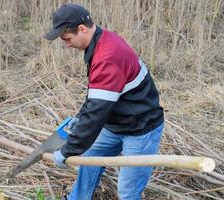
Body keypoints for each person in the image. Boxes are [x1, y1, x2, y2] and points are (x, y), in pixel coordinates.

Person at [44, 3, 164, 200]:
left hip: (141, 128)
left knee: (127, 191)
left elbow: (97, 112)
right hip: (116, 121)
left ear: (81, 30)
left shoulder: (107, 55)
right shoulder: (100, 41)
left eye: (67, 38)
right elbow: (97, 96)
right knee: (89, 162)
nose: (66, 44)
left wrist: (67, 150)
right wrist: (80, 118)